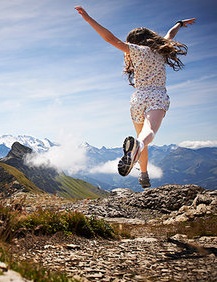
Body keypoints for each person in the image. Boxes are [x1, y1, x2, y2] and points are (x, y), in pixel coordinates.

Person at [74, 6, 195, 188]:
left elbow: (110, 38)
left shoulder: (136, 51)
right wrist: (179, 23)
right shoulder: (161, 49)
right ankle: (137, 149)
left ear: (135, 42)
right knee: (149, 133)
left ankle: (144, 175)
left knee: (141, 137)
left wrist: (88, 19)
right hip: (156, 95)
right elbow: (170, 34)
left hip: (137, 99)